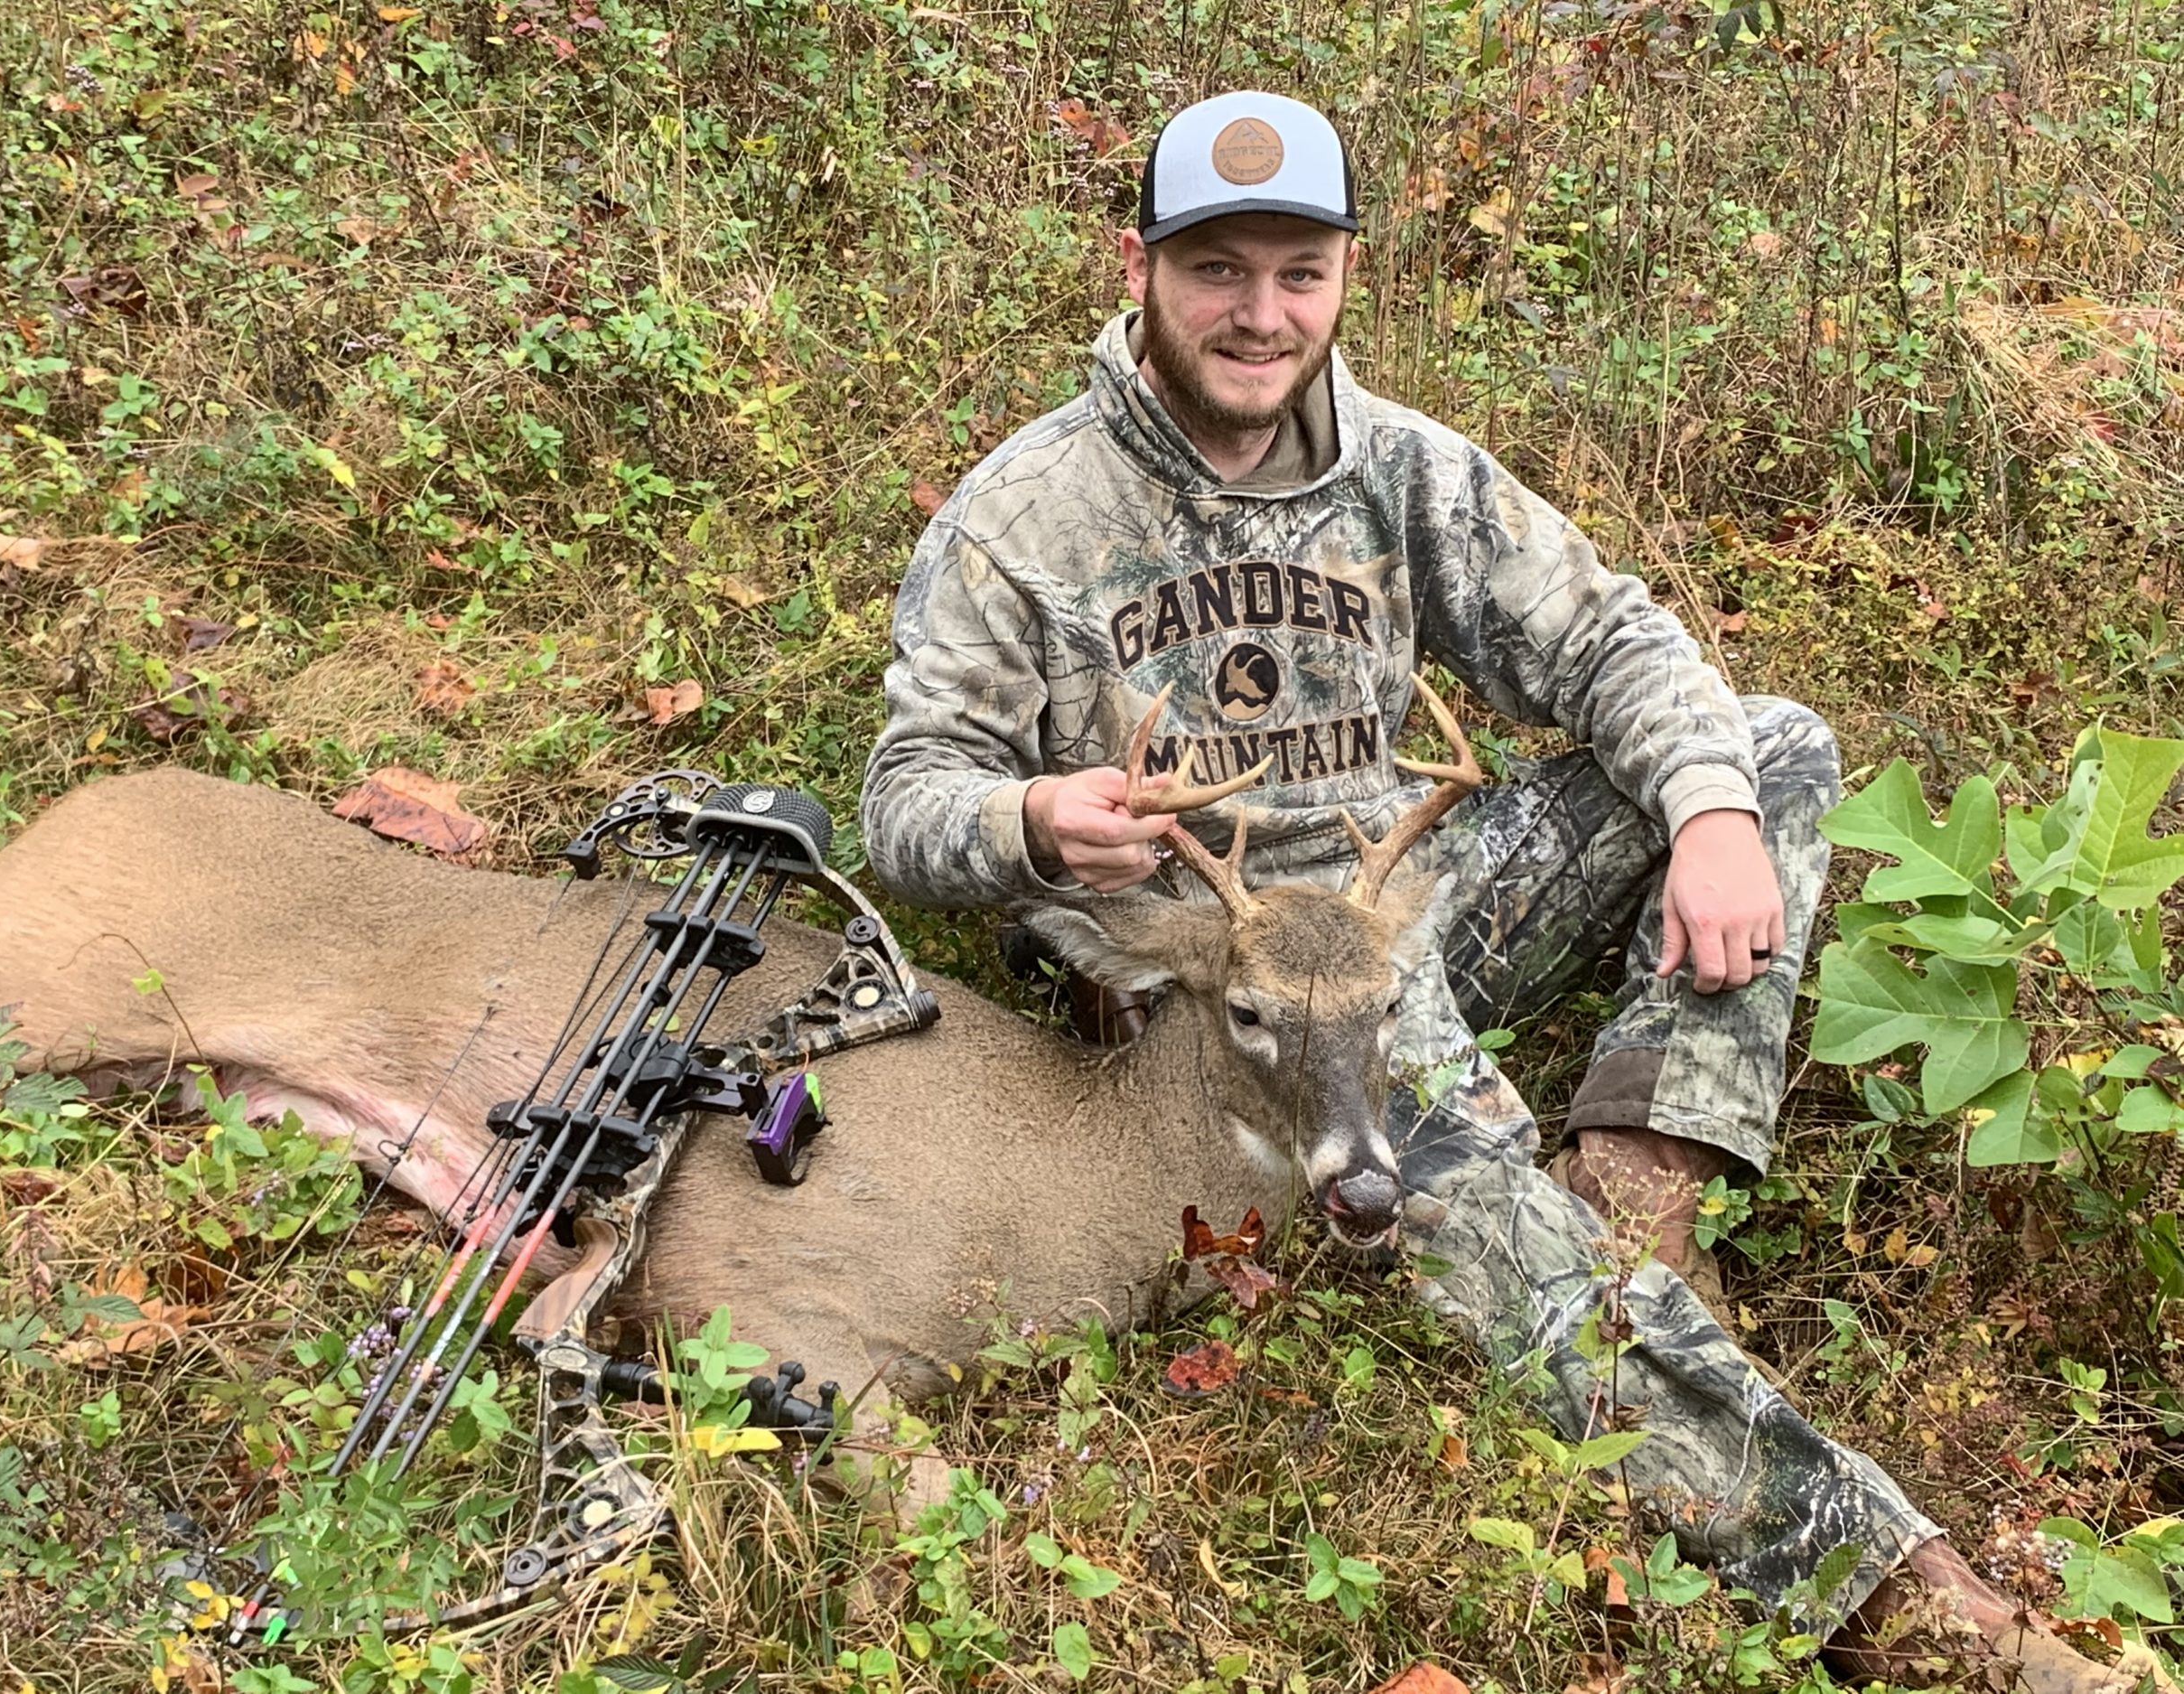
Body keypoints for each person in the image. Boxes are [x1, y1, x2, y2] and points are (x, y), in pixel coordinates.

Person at [861, 89, 2147, 1692]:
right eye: (1215, 269)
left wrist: (1713, 818)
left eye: (1299, 272)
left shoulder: (1405, 470)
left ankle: (1643, 1171)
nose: (1259, 315)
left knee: (1758, 750)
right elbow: (902, 809)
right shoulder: (1028, 516)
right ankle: (1904, 1601)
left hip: (1405, 903)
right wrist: (1034, 823)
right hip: (1220, 988)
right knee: (1520, 1273)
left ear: (1345, 276)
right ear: (1139, 269)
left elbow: (1614, 639)